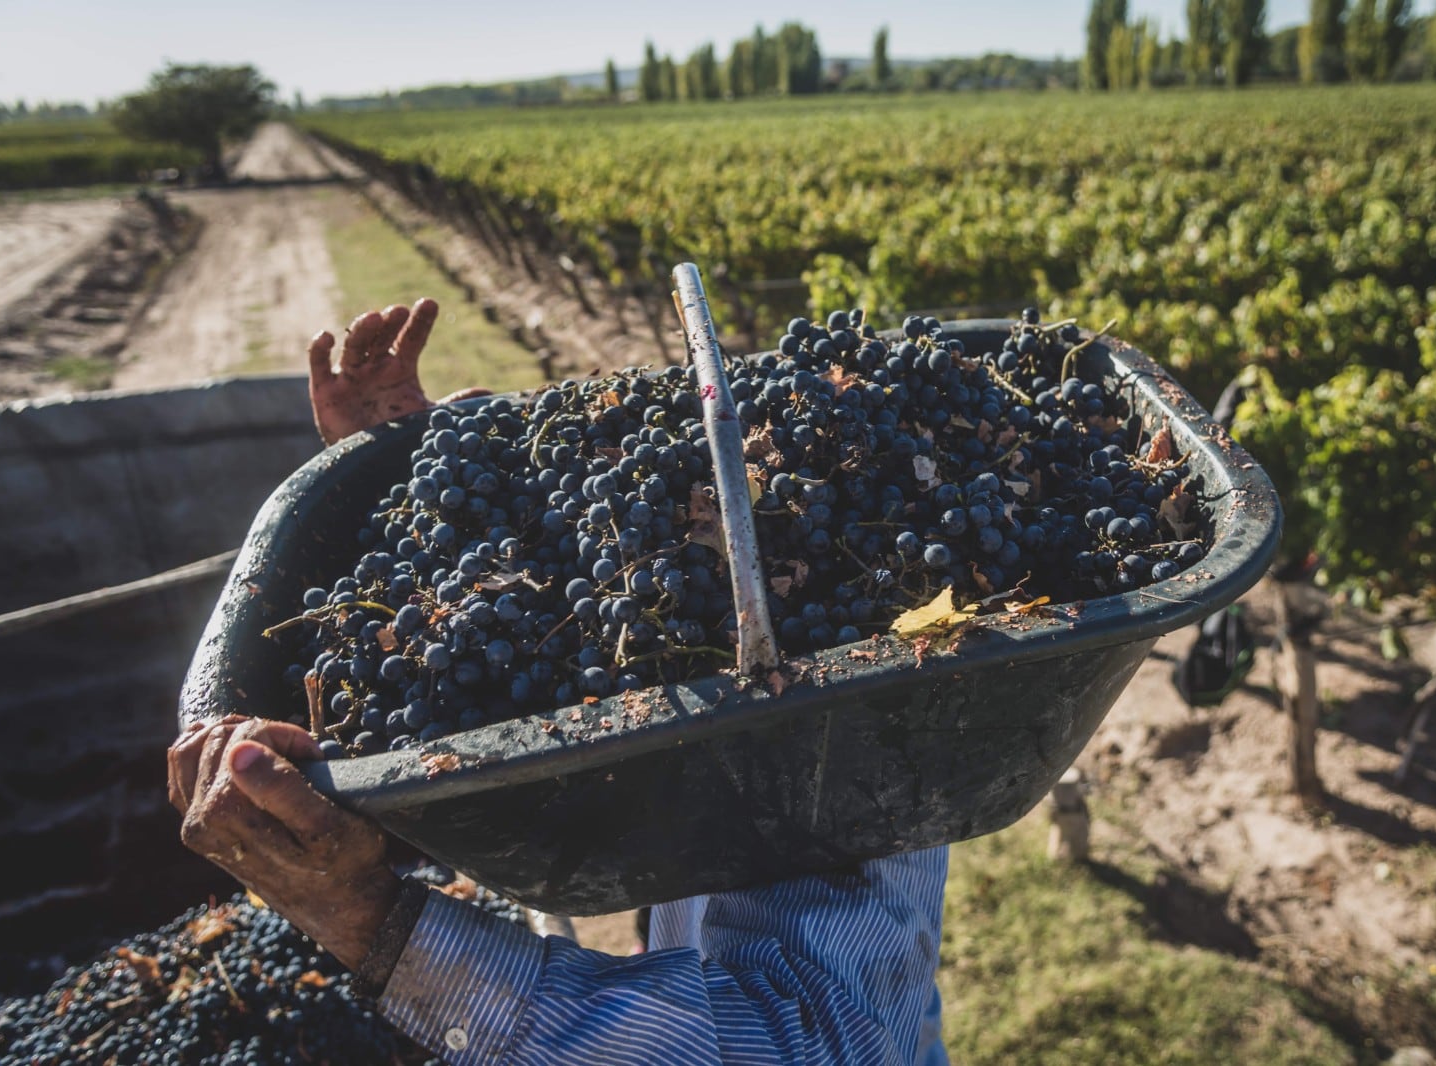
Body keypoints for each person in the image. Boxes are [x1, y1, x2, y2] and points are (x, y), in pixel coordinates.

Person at [169, 299, 951, 1065]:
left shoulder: (855, 743)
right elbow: (559, 593)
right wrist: (423, 496)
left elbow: (792, 1043)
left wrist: (364, 918)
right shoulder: (693, 638)